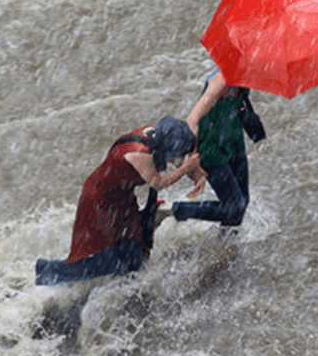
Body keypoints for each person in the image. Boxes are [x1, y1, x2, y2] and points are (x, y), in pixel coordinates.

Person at [36, 116, 201, 285]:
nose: (178, 160)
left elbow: (173, 162)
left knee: (134, 246)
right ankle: (47, 272)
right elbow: (159, 183)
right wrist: (186, 169)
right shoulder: (139, 154)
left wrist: (197, 174)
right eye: (177, 155)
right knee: (103, 259)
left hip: (122, 195)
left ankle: (125, 284)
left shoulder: (158, 135)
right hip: (100, 201)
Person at [164, 67, 253, 228]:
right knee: (234, 208)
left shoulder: (244, 76)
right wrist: (192, 164)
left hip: (234, 144)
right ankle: (171, 209)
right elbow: (193, 119)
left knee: (242, 202)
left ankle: (226, 247)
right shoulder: (220, 80)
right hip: (212, 151)